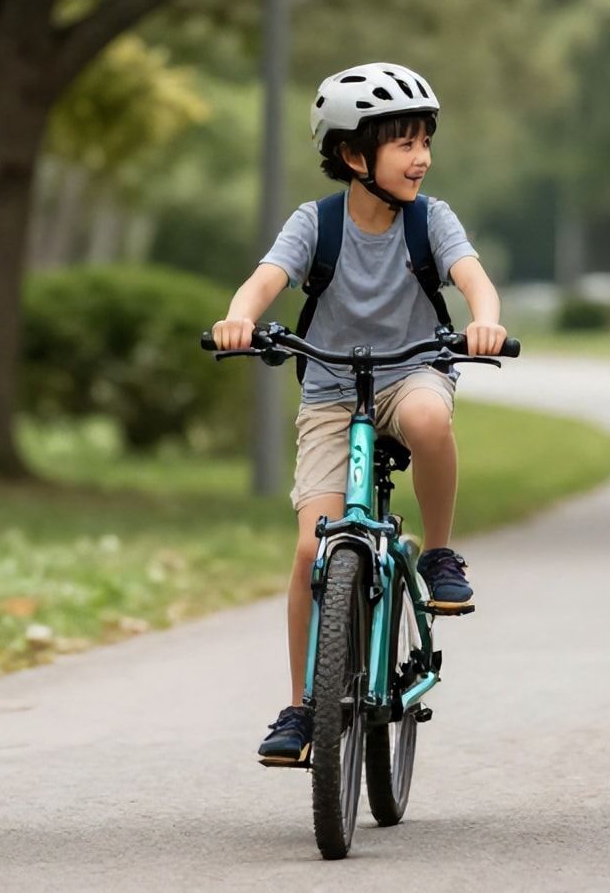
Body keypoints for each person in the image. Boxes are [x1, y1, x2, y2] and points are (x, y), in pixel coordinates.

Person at [210, 63, 508, 765]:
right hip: (332, 394)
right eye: (403, 143)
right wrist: (237, 319)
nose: (422, 157)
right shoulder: (316, 224)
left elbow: (473, 279)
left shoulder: (431, 220)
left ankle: (437, 551)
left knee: (433, 422)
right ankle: (300, 707)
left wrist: (485, 322)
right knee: (313, 549)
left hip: (412, 374)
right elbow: (265, 280)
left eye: (425, 141)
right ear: (352, 155)